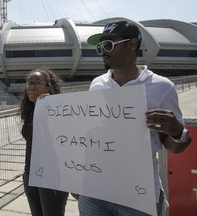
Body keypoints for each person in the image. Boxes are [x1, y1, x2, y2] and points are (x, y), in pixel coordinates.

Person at [77, 20, 192, 216]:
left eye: (109, 45)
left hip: (138, 196)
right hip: (95, 193)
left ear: (132, 45)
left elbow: (175, 145)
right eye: (100, 46)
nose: (102, 51)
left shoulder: (162, 87)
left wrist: (176, 131)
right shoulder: (97, 84)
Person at [19, 68, 69, 216]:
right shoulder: (30, 110)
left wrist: (50, 107)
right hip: (30, 174)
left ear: (48, 87)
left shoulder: (58, 110)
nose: (31, 87)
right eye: (29, 82)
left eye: (37, 83)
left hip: (52, 176)